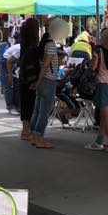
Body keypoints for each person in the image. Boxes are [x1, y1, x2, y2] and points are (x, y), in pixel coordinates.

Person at [30, 18, 65, 149]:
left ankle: (34, 136)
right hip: (47, 80)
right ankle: (39, 138)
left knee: (38, 109)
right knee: (44, 111)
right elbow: (45, 65)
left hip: (43, 80)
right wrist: (39, 81)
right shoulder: (50, 44)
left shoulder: (43, 43)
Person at [16, 18, 41, 141]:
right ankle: (26, 131)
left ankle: (25, 130)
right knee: (30, 104)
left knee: (25, 104)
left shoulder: (24, 42)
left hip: (23, 78)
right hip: (30, 79)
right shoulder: (33, 45)